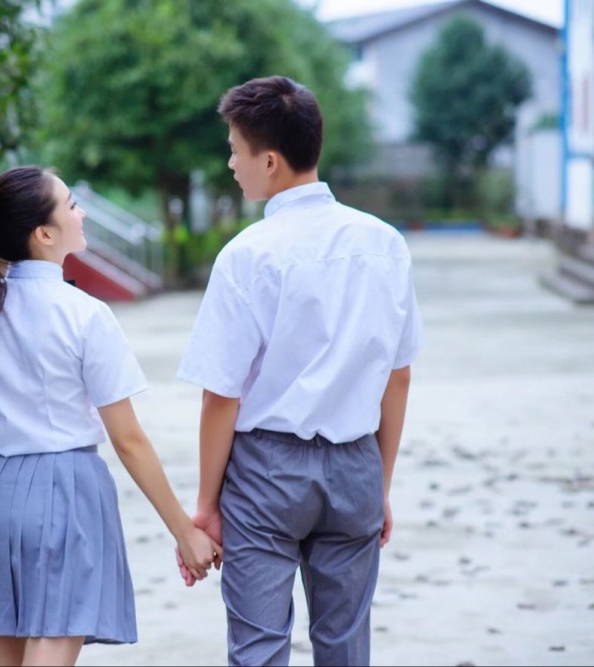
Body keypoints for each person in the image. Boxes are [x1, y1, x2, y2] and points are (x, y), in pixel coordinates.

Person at [175, 76, 422, 666]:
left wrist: (207, 505)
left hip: (266, 472)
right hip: (357, 463)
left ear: (269, 160)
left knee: (258, 649)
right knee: (345, 647)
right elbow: (399, 376)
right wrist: (377, 485)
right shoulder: (385, 244)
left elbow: (221, 396)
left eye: (235, 150)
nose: (231, 163)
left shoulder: (247, 254)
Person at [0, 165, 221, 667]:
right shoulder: (85, 314)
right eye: (70, 204)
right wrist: (185, 530)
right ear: (44, 234)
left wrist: (14, 437)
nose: (81, 211)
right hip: (65, 492)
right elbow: (128, 440)